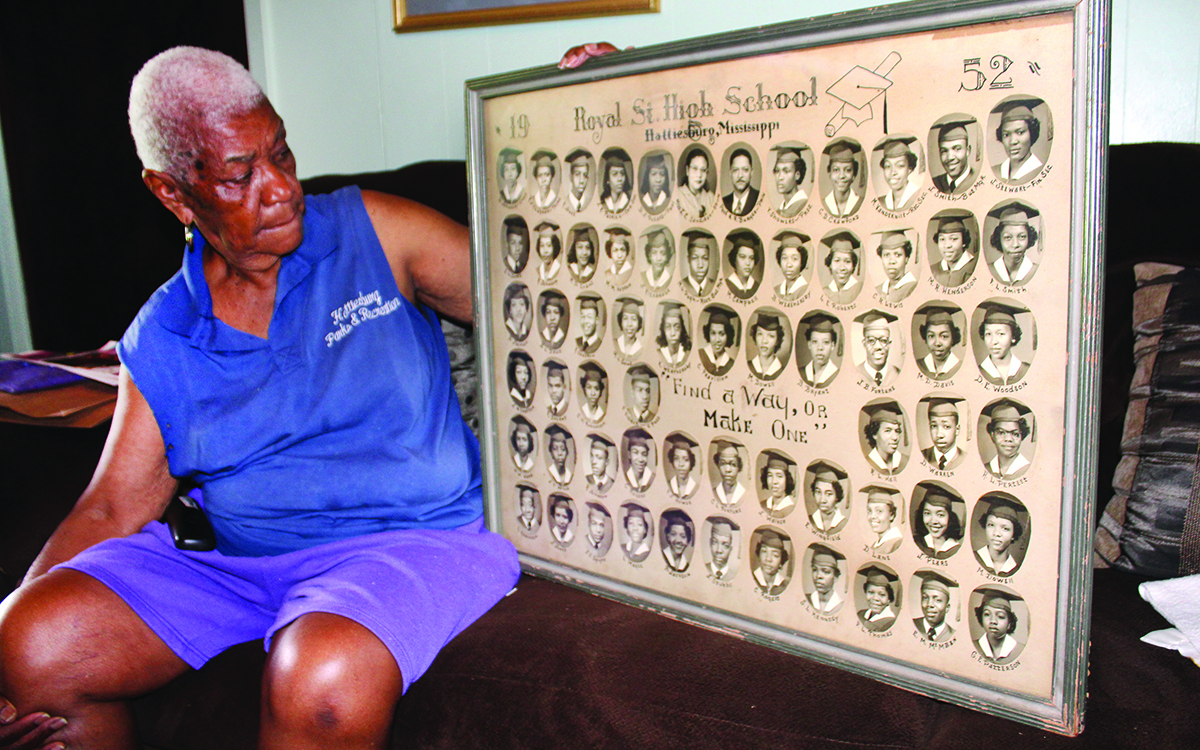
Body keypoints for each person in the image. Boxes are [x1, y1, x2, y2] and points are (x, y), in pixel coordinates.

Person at [0, 47, 520, 750]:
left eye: (282, 154)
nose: (281, 189)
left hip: (412, 540)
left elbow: (548, 297)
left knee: (323, 677)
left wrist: (597, 114)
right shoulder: (166, 333)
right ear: (173, 193)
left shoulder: (377, 232)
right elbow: (111, 507)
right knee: (31, 643)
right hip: (237, 564)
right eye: (241, 174)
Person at [977, 300, 1032, 385]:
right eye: (988, 334)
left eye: (1001, 334)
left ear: (1013, 337)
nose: (994, 341)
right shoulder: (977, 371)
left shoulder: (1027, 370)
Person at [992, 98, 1045, 183]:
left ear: (1032, 133)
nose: (1012, 141)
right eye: (1006, 135)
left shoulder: (1039, 171)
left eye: (1020, 132)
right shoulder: (995, 172)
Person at [988, 202, 1040, 286]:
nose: (1015, 245)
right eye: (1008, 237)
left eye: (1022, 237)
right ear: (998, 239)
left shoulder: (1037, 270)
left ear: (1029, 238)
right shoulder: (988, 270)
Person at [975, 495, 1026, 575]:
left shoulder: (1017, 571)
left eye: (1005, 528)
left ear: (1014, 534)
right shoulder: (972, 558)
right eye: (991, 525)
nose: (996, 533)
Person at [984, 400, 1033, 479]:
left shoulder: (1029, 469)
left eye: (1015, 434)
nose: (1008, 439)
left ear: (1022, 436)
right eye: (1001, 433)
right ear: (992, 435)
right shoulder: (986, 468)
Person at [974, 588, 1024, 664]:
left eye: (1000, 616)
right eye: (987, 614)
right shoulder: (974, 646)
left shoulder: (1019, 650)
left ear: (1009, 622)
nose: (993, 621)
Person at [929, 211, 977, 287]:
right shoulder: (933, 270)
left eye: (953, 239)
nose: (947, 245)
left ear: (964, 242)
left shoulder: (976, 267)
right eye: (942, 239)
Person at [914, 486, 964, 559]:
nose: (933, 521)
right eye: (927, 513)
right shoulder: (916, 542)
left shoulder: (958, 551)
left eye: (940, 515)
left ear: (950, 518)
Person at [932, 118, 978, 194]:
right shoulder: (935, 183)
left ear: (968, 150)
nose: (950, 157)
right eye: (944, 151)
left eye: (957, 149)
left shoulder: (976, 179)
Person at [857, 310, 901, 389]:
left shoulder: (898, 374)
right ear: (864, 344)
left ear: (889, 344)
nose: (878, 347)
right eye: (871, 340)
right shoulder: (856, 373)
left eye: (883, 340)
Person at [876, 136, 921, 211]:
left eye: (900, 165)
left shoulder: (919, 196)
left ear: (910, 169)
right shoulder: (881, 202)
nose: (893, 172)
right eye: (888, 166)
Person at [917, 305, 963, 380]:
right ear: (925, 338)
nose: (937, 343)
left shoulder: (961, 368)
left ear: (953, 338)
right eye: (931, 336)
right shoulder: (918, 366)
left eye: (944, 336)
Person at [921, 396, 965, 471]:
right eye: (934, 426)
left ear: (957, 430)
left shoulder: (965, 458)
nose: (939, 435)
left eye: (946, 426)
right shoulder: (922, 456)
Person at [863, 402, 907, 476]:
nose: (895, 437)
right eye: (888, 431)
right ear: (874, 434)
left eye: (897, 431)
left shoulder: (905, 461)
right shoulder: (866, 464)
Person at [873, 230, 917, 303]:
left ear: (906, 258)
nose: (891, 261)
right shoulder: (878, 290)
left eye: (897, 255)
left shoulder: (914, 288)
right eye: (886, 255)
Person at [823, 139, 863, 217]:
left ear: (854, 175)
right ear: (830, 174)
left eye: (848, 170)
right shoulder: (823, 204)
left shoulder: (862, 203)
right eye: (836, 170)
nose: (841, 176)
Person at [913, 571, 957, 643]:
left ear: (947, 608)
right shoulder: (912, 625)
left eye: (937, 600)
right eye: (925, 598)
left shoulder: (952, 635)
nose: (929, 604)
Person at [800, 312, 840, 388]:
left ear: (832, 345)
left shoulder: (838, 376)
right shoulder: (800, 373)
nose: (820, 348)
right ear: (809, 344)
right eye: (815, 341)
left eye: (826, 342)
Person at [822, 231, 862, 305]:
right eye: (837, 261)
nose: (842, 267)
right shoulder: (824, 292)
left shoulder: (860, 289)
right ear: (830, 264)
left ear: (853, 265)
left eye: (847, 261)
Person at [807, 461, 848, 533]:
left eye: (829, 494)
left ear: (837, 496)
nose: (822, 500)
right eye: (818, 492)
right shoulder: (809, 520)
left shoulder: (844, 524)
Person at [862, 485, 904, 553]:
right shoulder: (876, 545)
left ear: (891, 515)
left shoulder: (896, 544)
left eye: (879, 511)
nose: (872, 516)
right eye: (869, 511)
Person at [857, 566, 899, 632]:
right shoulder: (861, 614)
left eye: (882, 594)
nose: (875, 598)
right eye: (871, 592)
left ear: (889, 599)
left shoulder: (890, 623)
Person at [770, 144, 808, 217]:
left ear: (797, 175)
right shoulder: (780, 210)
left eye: (786, 171)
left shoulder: (803, 206)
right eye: (777, 171)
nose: (780, 177)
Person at [678, 147, 715, 218]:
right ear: (687, 170)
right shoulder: (678, 195)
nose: (699, 175)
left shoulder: (711, 197)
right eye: (695, 169)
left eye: (703, 170)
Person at [725, 231, 763, 299]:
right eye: (742, 257)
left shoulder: (758, 287)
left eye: (751, 258)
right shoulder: (726, 285)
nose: (748, 263)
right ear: (734, 259)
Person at [698, 310, 737, 376]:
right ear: (708, 334)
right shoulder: (700, 355)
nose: (717, 339)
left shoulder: (731, 365)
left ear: (728, 335)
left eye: (722, 334)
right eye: (713, 333)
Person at [808, 544, 845, 614]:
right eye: (815, 570)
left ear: (835, 577)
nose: (818, 576)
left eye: (826, 572)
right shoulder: (807, 599)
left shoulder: (841, 607)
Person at [748, 313, 786, 380]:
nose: (764, 341)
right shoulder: (746, 366)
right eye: (760, 334)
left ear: (777, 340)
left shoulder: (784, 373)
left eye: (771, 336)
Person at [723, 147, 760, 216]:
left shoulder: (759, 198)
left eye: (745, 170)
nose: (740, 175)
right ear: (730, 173)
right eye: (735, 170)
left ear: (751, 172)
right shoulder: (724, 202)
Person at [774, 231, 810, 300]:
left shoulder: (806, 290)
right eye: (784, 258)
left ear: (802, 262)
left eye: (794, 259)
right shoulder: (776, 290)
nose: (788, 264)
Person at [753, 530, 791, 595]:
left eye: (775, 555)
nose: (768, 559)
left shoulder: (786, 585)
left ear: (781, 561)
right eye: (764, 551)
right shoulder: (750, 579)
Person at [759, 450, 797, 516]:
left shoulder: (791, 509)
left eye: (779, 476)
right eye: (770, 476)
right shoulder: (763, 505)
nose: (774, 481)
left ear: (787, 479)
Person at [712, 440, 747, 509]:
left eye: (733, 464)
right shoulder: (712, 493)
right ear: (718, 465)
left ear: (739, 466)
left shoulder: (745, 495)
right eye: (723, 464)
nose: (727, 470)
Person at [682, 231, 716, 297]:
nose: (700, 265)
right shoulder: (682, 285)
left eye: (705, 258)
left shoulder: (714, 286)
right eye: (695, 258)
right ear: (688, 259)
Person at [666, 435, 700, 500]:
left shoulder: (697, 489)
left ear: (691, 462)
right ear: (672, 461)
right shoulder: (667, 485)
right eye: (676, 459)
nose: (681, 464)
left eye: (686, 459)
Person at [624, 428, 656, 492]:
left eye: (644, 454)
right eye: (635, 453)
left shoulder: (653, 479)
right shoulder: (624, 478)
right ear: (629, 454)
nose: (640, 459)